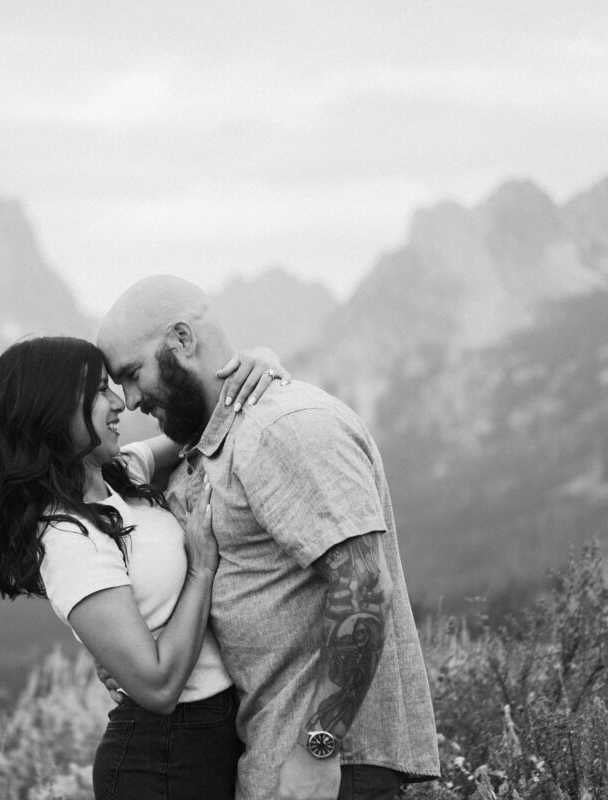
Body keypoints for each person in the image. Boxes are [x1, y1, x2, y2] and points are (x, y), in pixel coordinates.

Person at [96, 276, 440, 800]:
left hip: (326, 772)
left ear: (182, 341)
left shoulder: (285, 429)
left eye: (132, 374)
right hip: (275, 761)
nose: (132, 399)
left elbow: (365, 586)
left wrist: (318, 751)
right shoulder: (214, 443)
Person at [0, 335, 290, 799]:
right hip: (160, 760)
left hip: (214, 736)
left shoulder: (121, 475)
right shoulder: (68, 537)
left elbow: (210, 424)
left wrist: (260, 362)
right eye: (100, 391)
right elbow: (157, 687)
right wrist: (201, 570)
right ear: (53, 411)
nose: (119, 401)